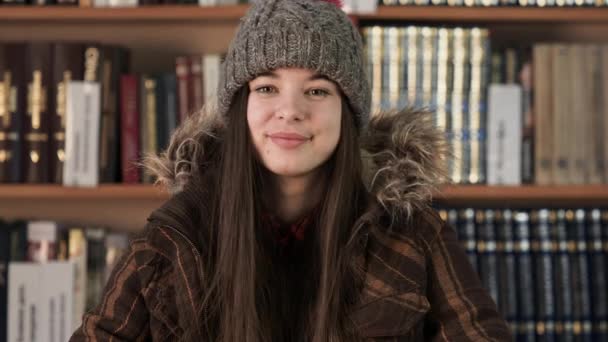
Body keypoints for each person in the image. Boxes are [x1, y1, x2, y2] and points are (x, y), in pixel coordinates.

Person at [70, 0, 512, 340]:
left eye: (317, 91)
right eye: (267, 87)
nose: (290, 111)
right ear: (240, 109)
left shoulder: (414, 233)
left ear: (348, 113)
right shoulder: (173, 238)